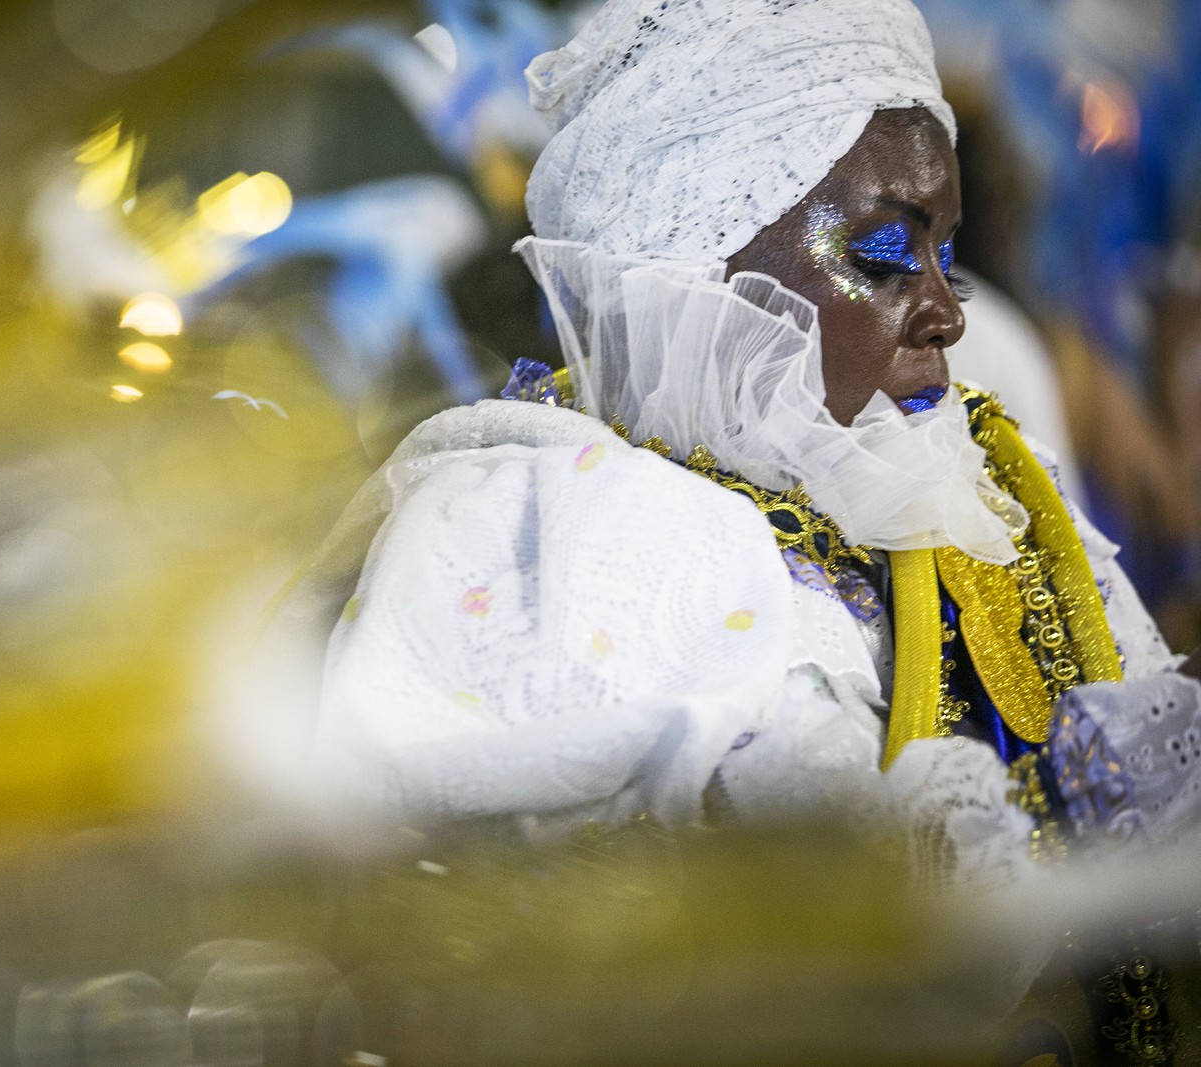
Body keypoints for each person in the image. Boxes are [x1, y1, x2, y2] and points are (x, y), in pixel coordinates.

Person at [287, 0, 1201, 896]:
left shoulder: (985, 485)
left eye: (947, 257)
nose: (949, 313)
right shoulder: (537, 532)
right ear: (693, 270)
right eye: (885, 256)